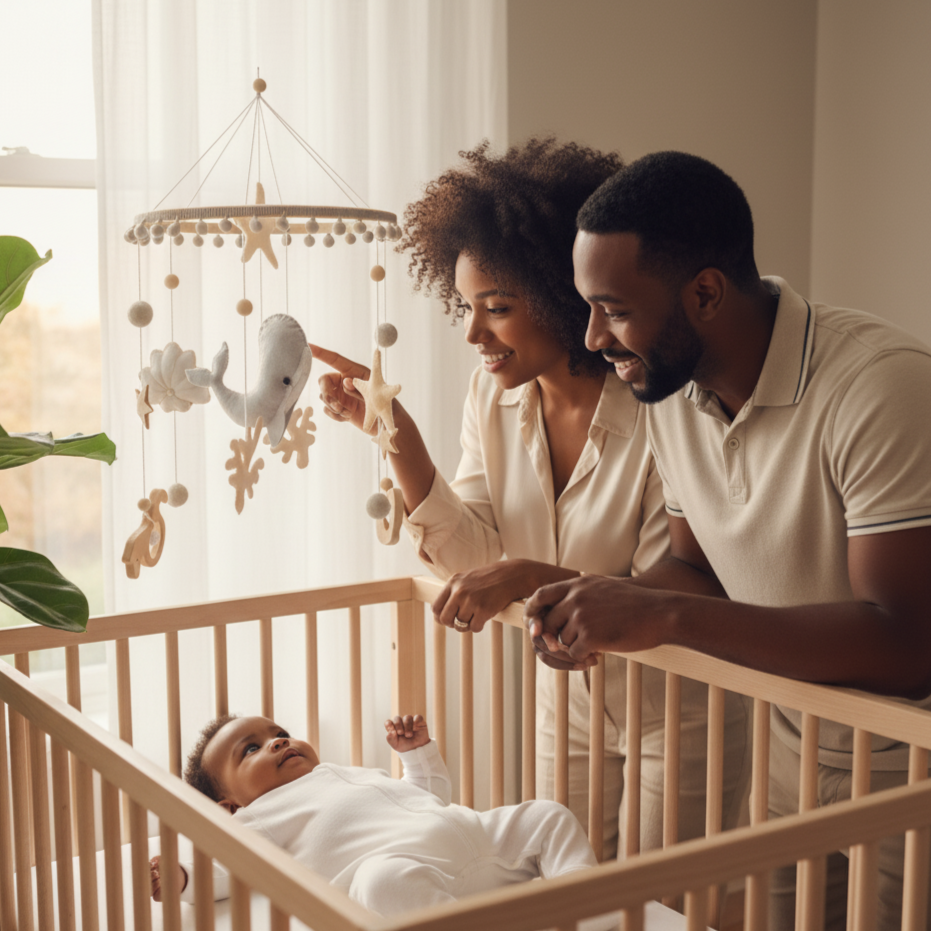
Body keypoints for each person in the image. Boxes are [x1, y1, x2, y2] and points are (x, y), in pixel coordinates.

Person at [525, 150, 931, 931]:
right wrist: (605, 604)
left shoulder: (881, 387)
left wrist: (665, 619)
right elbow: (694, 567)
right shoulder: (670, 392)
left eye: (609, 307)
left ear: (704, 292)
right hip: (792, 746)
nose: (591, 335)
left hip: (906, 765)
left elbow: (908, 638)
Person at [313, 138, 749, 860]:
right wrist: (394, 433)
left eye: (497, 307)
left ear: (560, 292)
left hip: (675, 702)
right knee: (558, 882)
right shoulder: (493, 397)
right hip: (567, 693)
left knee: (661, 904)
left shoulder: (661, 410)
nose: (472, 332)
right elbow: (477, 555)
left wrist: (526, 577)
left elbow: (658, 589)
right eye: (464, 306)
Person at [150, 712, 617, 928]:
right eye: (250, 749)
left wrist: (418, 759)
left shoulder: (345, 771)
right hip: (409, 872)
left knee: (545, 814)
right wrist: (182, 876)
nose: (277, 742)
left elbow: (427, 799)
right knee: (381, 883)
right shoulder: (254, 822)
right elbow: (225, 868)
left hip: (473, 837)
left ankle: (587, 907)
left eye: (279, 733)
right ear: (229, 806)